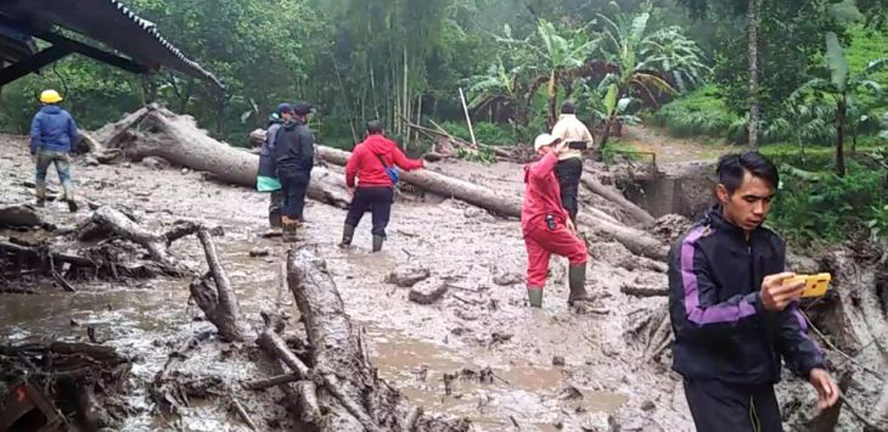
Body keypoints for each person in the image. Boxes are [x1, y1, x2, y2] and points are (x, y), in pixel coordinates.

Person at [668, 152, 839, 431]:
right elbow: (692, 320)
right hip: (713, 380)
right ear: (723, 193)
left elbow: (786, 314)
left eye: (767, 200)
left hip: (759, 376)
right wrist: (758, 303)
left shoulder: (770, 244)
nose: (760, 210)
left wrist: (812, 365)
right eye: (750, 200)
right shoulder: (694, 247)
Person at [522, 134, 593, 308]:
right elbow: (539, 172)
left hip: (532, 224)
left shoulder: (548, 172)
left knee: (537, 270)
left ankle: (535, 313)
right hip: (543, 223)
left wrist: (565, 216)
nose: (555, 147)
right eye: (550, 145)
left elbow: (551, 200)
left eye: (556, 143)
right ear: (539, 151)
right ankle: (578, 297)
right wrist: (554, 154)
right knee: (579, 251)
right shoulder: (537, 169)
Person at [340, 120, 426, 252]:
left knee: (353, 216)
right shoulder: (391, 148)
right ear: (383, 132)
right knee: (380, 222)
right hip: (384, 189)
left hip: (364, 188)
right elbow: (406, 165)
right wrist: (421, 163)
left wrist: (350, 185)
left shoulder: (361, 148)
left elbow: (350, 170)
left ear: (367, 133)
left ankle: (345, 245)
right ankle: (376, 253)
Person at [29, 89, 80, 212]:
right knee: (65, 176)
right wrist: (73, 148)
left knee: (40, 174)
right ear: (57, 101)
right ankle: (70, 197)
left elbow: (35, 135)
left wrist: (33, 150)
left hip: (45, 150)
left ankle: (40, 200)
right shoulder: (65, 115)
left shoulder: (39, 116)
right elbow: (74, 134)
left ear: (43, 102)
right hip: (62, 150)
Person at [273, 102, 314, 242]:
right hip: (298, 172)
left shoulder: (280, 129)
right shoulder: (305, 132)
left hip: (282, 170)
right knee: (296, 202)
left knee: (286, 200)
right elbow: (308, 155)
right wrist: (305, 170)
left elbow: (275, 148)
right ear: (305, 115)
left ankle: (285, 230)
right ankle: (290, 234)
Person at [550, 101, 593, 225]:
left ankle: (565, 220)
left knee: (564, 191)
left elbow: (554, 143)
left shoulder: (560, 125)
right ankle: (573, 219)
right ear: (574, 112)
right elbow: (589, 142)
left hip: (564, 161)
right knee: (573, 191)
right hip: (577, 160)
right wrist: (576, 146)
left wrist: (567, 145)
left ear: (561, 111)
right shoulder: (580, 125)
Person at [256, 103, 293, 228]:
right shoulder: (276, 128)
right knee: (277, 198)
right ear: (283, 113)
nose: (291, 117)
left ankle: (278, 225)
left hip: (273, 166)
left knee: (279, 197)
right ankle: (275, 226)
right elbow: (275, 149)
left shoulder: (275, 127)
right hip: (273, 168)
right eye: (290, 114)